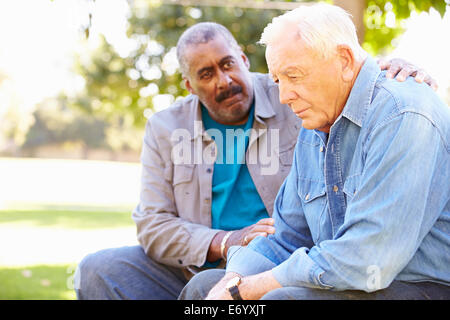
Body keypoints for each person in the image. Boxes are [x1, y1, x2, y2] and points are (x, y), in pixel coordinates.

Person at [75, 21, 437, 300]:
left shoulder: (295, 97)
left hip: (286, 260)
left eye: (229, 64)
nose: (225, 79)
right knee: (97, 269)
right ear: (189, 85)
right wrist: (226, 242)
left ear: (244, 61)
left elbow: (342, 80)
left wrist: (387, 68)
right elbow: (153, 225)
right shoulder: (166, 127)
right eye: (207, 74)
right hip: (205, 257)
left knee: (213, 289)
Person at [179, 4, 450, 301]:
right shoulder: (315, 125)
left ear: (344, 60)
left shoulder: (403, 114)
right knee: (203, 288)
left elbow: (369, 260)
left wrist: (250, 289)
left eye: (294, 76)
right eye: (279, 81)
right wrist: (234, 281)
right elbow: (285, 237)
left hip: (414, 285)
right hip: (343, 279)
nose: (284, 97)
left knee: (274, 300)